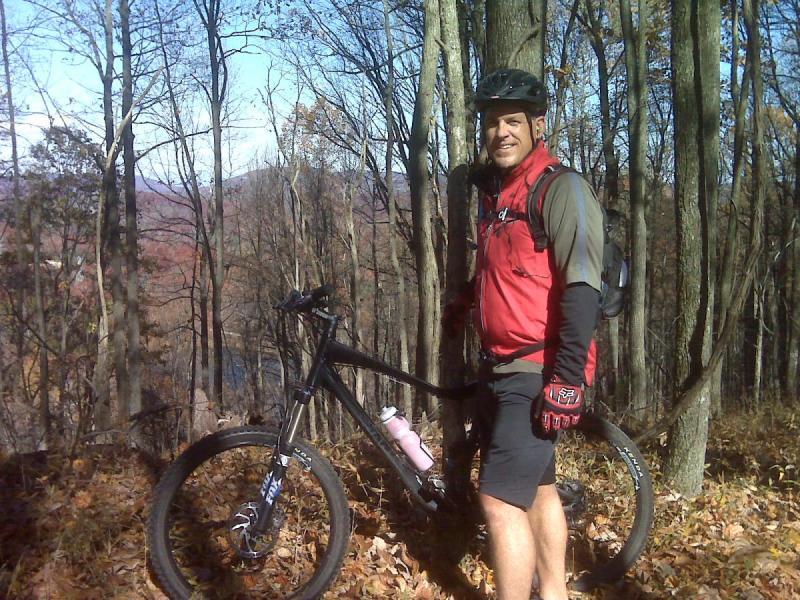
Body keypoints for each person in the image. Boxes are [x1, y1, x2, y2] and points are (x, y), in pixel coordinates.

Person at [445, 68, 604, 600]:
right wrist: (466, 299)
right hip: (499, 368)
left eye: (512, 121)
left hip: (535, 372)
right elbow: (504, 273)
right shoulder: (499, 197)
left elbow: (582, 289)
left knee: (497, 502)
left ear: (538, 125)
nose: (501, 133)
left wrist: (567, 381)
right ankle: (554, 594)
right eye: (491, 123)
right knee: (538, 490)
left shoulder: (561, 189)